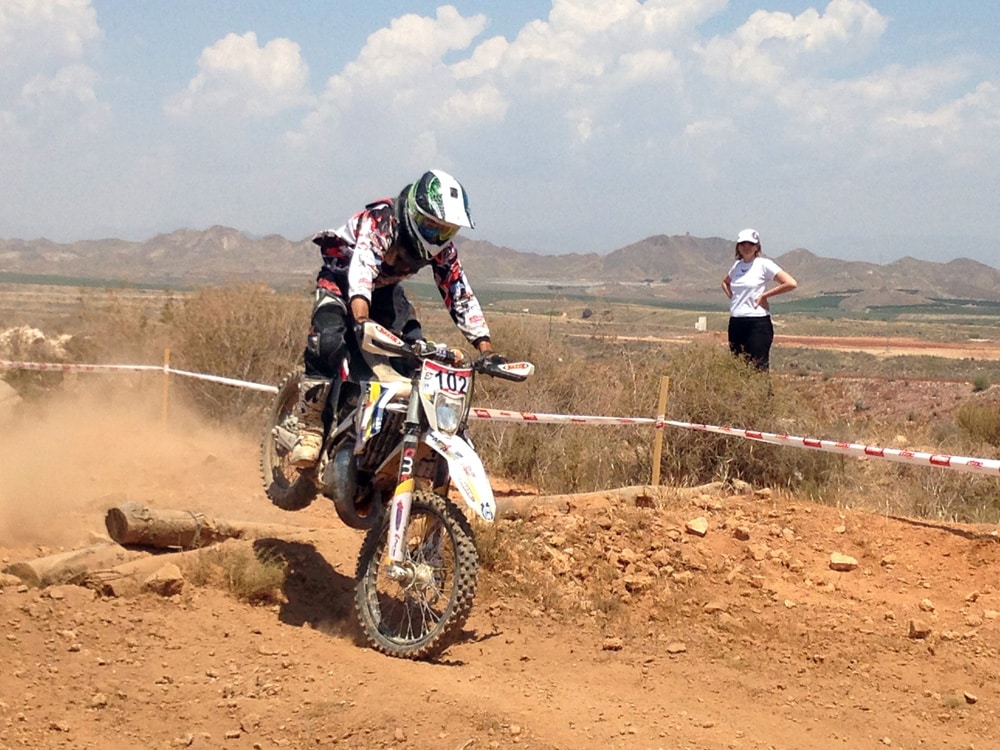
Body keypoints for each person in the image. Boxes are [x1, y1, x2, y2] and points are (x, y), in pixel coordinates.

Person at [290, 169, 503, 468]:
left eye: (447, 231)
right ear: (415, 214)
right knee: (327, 341)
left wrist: (486, 349)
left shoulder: (442, 250)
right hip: (340, 281)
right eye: (432, 227)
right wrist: (362, 318)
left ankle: (393, 442)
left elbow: (458, 292)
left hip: (384, 292)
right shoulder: (383, 219)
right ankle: (309, 426)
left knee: (416, 356)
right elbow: (363, 264)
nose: (438, 237)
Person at [721, 228, 798, 371]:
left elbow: (790, 283)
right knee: (738, 367)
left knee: (758, 367)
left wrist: (765, 296)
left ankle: (761, 394)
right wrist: (733, 298)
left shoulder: (764, 264)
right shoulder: (737, 266)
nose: (746, 247)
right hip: (736, 321)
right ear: (738, 247)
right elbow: (725, 282)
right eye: (742, 243)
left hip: (757, 322)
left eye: (750, 244)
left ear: (757, 246)